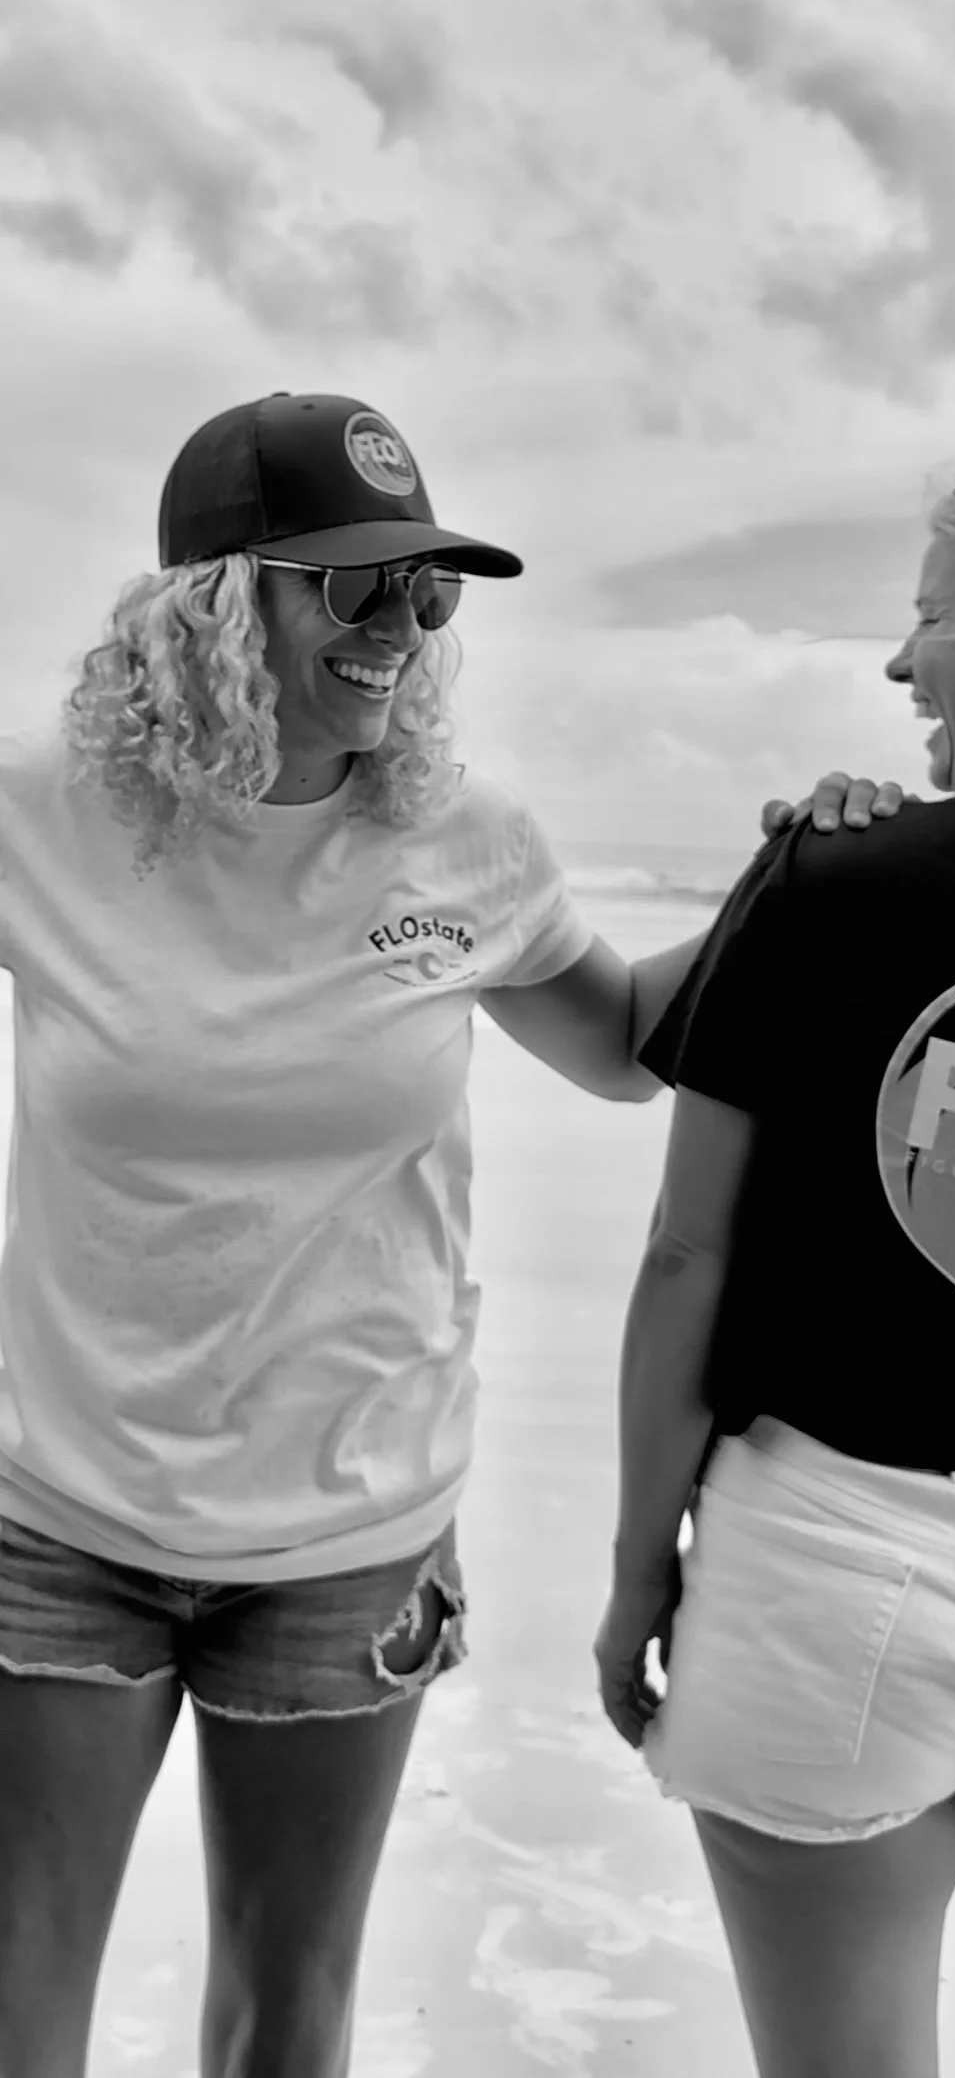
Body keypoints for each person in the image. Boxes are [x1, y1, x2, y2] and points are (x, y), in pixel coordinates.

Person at [0, 390, 785, 2078]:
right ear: (212, 604)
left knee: (287, 2021)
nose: (403, 628)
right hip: (56, 1513)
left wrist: (799, 883)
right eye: (357, 585)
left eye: (429, 591)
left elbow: (621, 1046)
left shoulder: (460, 833)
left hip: (350, 1523)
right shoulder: (36, 808)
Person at [593, 443, 955, 2078]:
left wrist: (638, 1576)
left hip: (818, 1580)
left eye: (928, 616)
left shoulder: (826, 874)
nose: (898, 662)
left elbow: (684, 1258)